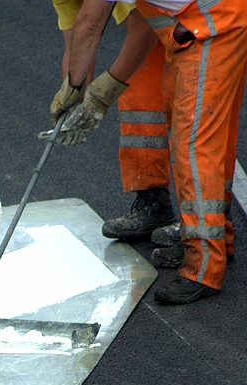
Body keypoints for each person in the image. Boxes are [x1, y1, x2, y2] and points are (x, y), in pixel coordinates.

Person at [51, 0, 247, 304]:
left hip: (214, 29)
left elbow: (90, 24)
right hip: (201, 28)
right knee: (206, 142)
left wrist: (85, 88)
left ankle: (203, 269)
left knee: (195, 149)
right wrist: (74, 88)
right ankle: (216, 238)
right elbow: (80, 35)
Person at [51, 1, 176, 242]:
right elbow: (78, 41)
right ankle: (154, 202)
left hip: (204, 22)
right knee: (138, 84)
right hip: (174, 21)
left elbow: (144, 29)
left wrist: (106, 89)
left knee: (190, 118)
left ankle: (205, 230)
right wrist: (72, 95)